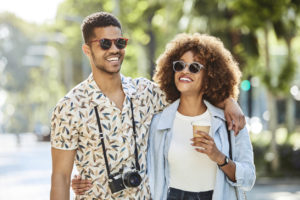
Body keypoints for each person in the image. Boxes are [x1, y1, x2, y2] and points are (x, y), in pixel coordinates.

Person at [50, 12, 246, 200]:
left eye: (120, 42)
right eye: (104, 43)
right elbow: (61, 177)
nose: (114, 49)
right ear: (87, 50)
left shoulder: (147, 92)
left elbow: (193, 93)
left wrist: (229, 101)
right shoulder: (69, 107)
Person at [147, 33, 255, 200]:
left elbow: (248, 179)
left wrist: (219, 158)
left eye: (194, 67)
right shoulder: (158, 123)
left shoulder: (229, 121)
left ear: (210, 76)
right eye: (179, 65)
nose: (185, 71)